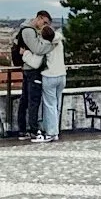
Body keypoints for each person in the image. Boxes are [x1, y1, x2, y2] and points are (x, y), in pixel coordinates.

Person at [32, 13, 66, 142]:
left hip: (50, 76)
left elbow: (36, 61)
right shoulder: (59, 40)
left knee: (49, 105)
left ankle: (51, 132)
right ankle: (55, 131)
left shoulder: (46, 45)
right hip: (62, 75)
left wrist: (25, 55)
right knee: (56, 104)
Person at [12, 14, 47, 139]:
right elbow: (37, 49)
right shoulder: (29, 31)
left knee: (26, 100)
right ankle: (33, 130)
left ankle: (23, 130)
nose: (45, 25)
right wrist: (47, 45)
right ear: (39, 18)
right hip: (32, 70)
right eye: (44, 22)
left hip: (27, 69)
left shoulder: (26, 30)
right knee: (33, 101)